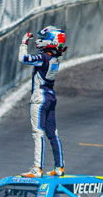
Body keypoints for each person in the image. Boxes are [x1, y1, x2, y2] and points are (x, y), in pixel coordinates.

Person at [19, 26, 67, 178]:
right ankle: (59, 167)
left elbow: (23, 58)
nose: (39, 41)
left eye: (43, 38)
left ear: (50, 40)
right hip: (51, 95)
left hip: (39, 97)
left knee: (37, 132)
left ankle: (37, 168)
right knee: (53, 133)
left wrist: (23, 44)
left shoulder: (44, 57)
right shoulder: (56, 57)